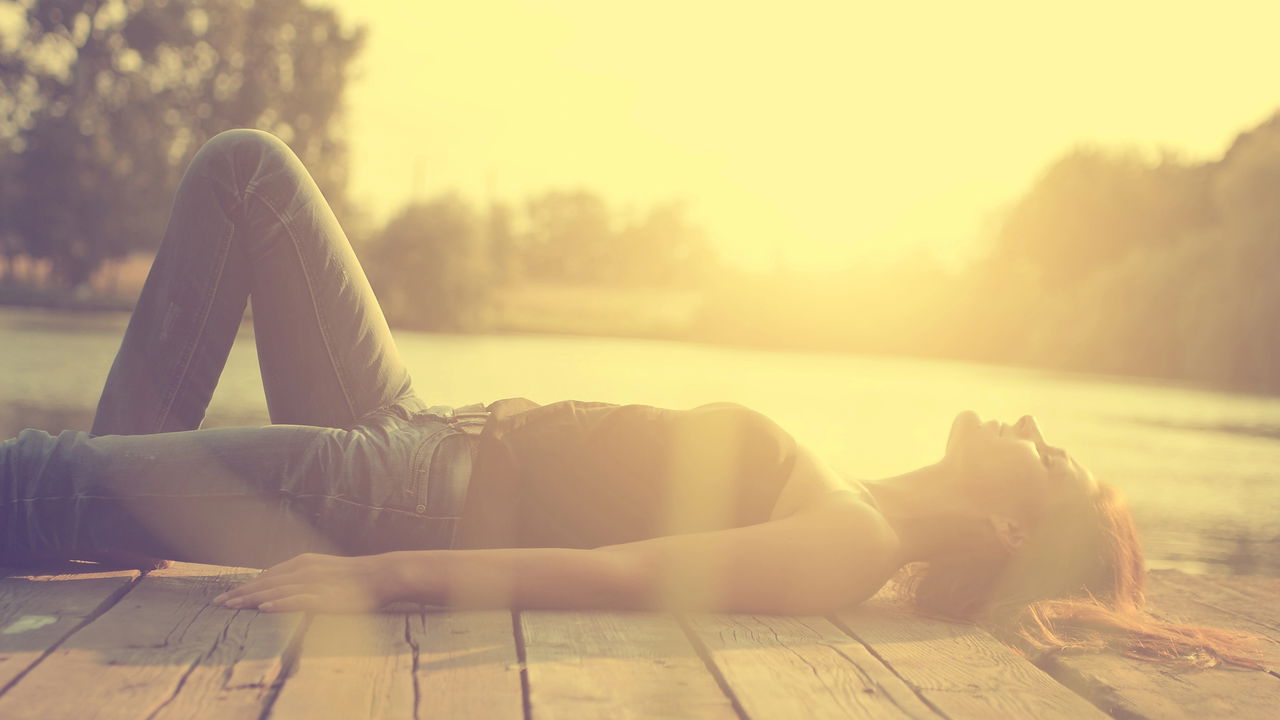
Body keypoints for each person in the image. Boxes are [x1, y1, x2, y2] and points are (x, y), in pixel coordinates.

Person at [0, 129, 1254, 668]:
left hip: (413, 498)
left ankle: (92, 503)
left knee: (36, 478)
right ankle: (117, 506)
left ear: (1002, 532)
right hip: (425, 428)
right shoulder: (859, 495)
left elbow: (620, 575)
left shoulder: (849, 542)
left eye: (1045, 460)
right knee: (249, 175)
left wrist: (379, 580)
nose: (1028, 426)